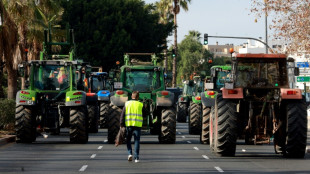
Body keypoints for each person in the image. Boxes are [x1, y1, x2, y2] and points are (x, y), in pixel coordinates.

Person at [120, 91, 144, 163]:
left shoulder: (127, 103)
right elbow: (145, 113)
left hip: (129, 124)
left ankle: (130, 154)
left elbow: (122, 114)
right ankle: (136, 158)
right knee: (137, 141)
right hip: (137, 125)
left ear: (131, 96)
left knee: (128, 140)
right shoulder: (140, 104)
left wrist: (121, 123)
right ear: (137, 97)